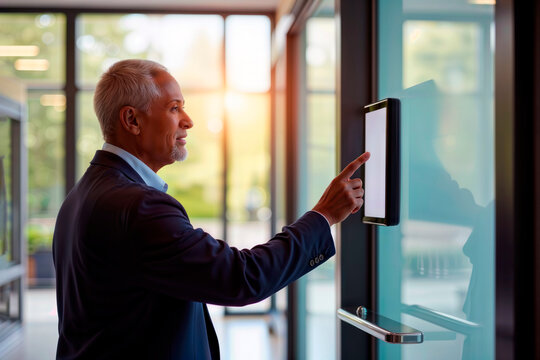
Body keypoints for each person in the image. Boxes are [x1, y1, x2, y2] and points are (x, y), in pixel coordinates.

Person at [52, 59, 370, 360]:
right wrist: (324, 216)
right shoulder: (140, 206)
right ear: (132, 120)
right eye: (174, 108)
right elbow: (243, 277)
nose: (188, 121)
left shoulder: (82, 194)